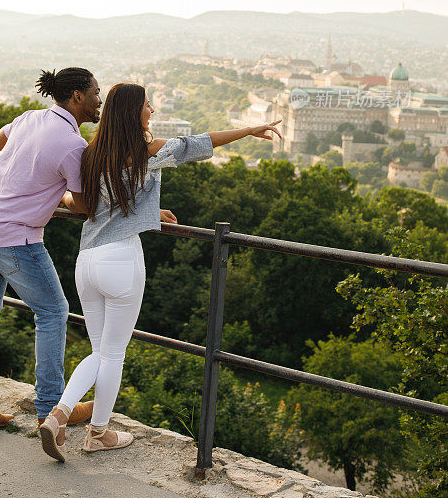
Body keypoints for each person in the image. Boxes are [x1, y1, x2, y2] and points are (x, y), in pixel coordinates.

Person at [38, 82, 281, 461]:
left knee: (99, 350)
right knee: (113, 354)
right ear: (135, 112)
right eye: (148, 106)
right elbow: (199, 143)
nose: (151, 111)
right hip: (122, 262)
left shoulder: (90, 153)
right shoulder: (148, 152)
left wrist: (150, 212)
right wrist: (249, 131)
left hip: (87, 261)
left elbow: (99, 202)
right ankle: (92, 431)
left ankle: (60, 416)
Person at [0, 67, 102, 431]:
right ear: (78, 97)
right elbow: (83, 206)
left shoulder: (29, 118)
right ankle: (50, 409)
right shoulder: (74, 146)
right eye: (97, 92)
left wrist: (16, 183)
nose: (100, 100)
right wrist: (56, 195)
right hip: (11, 236)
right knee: (53, 312)